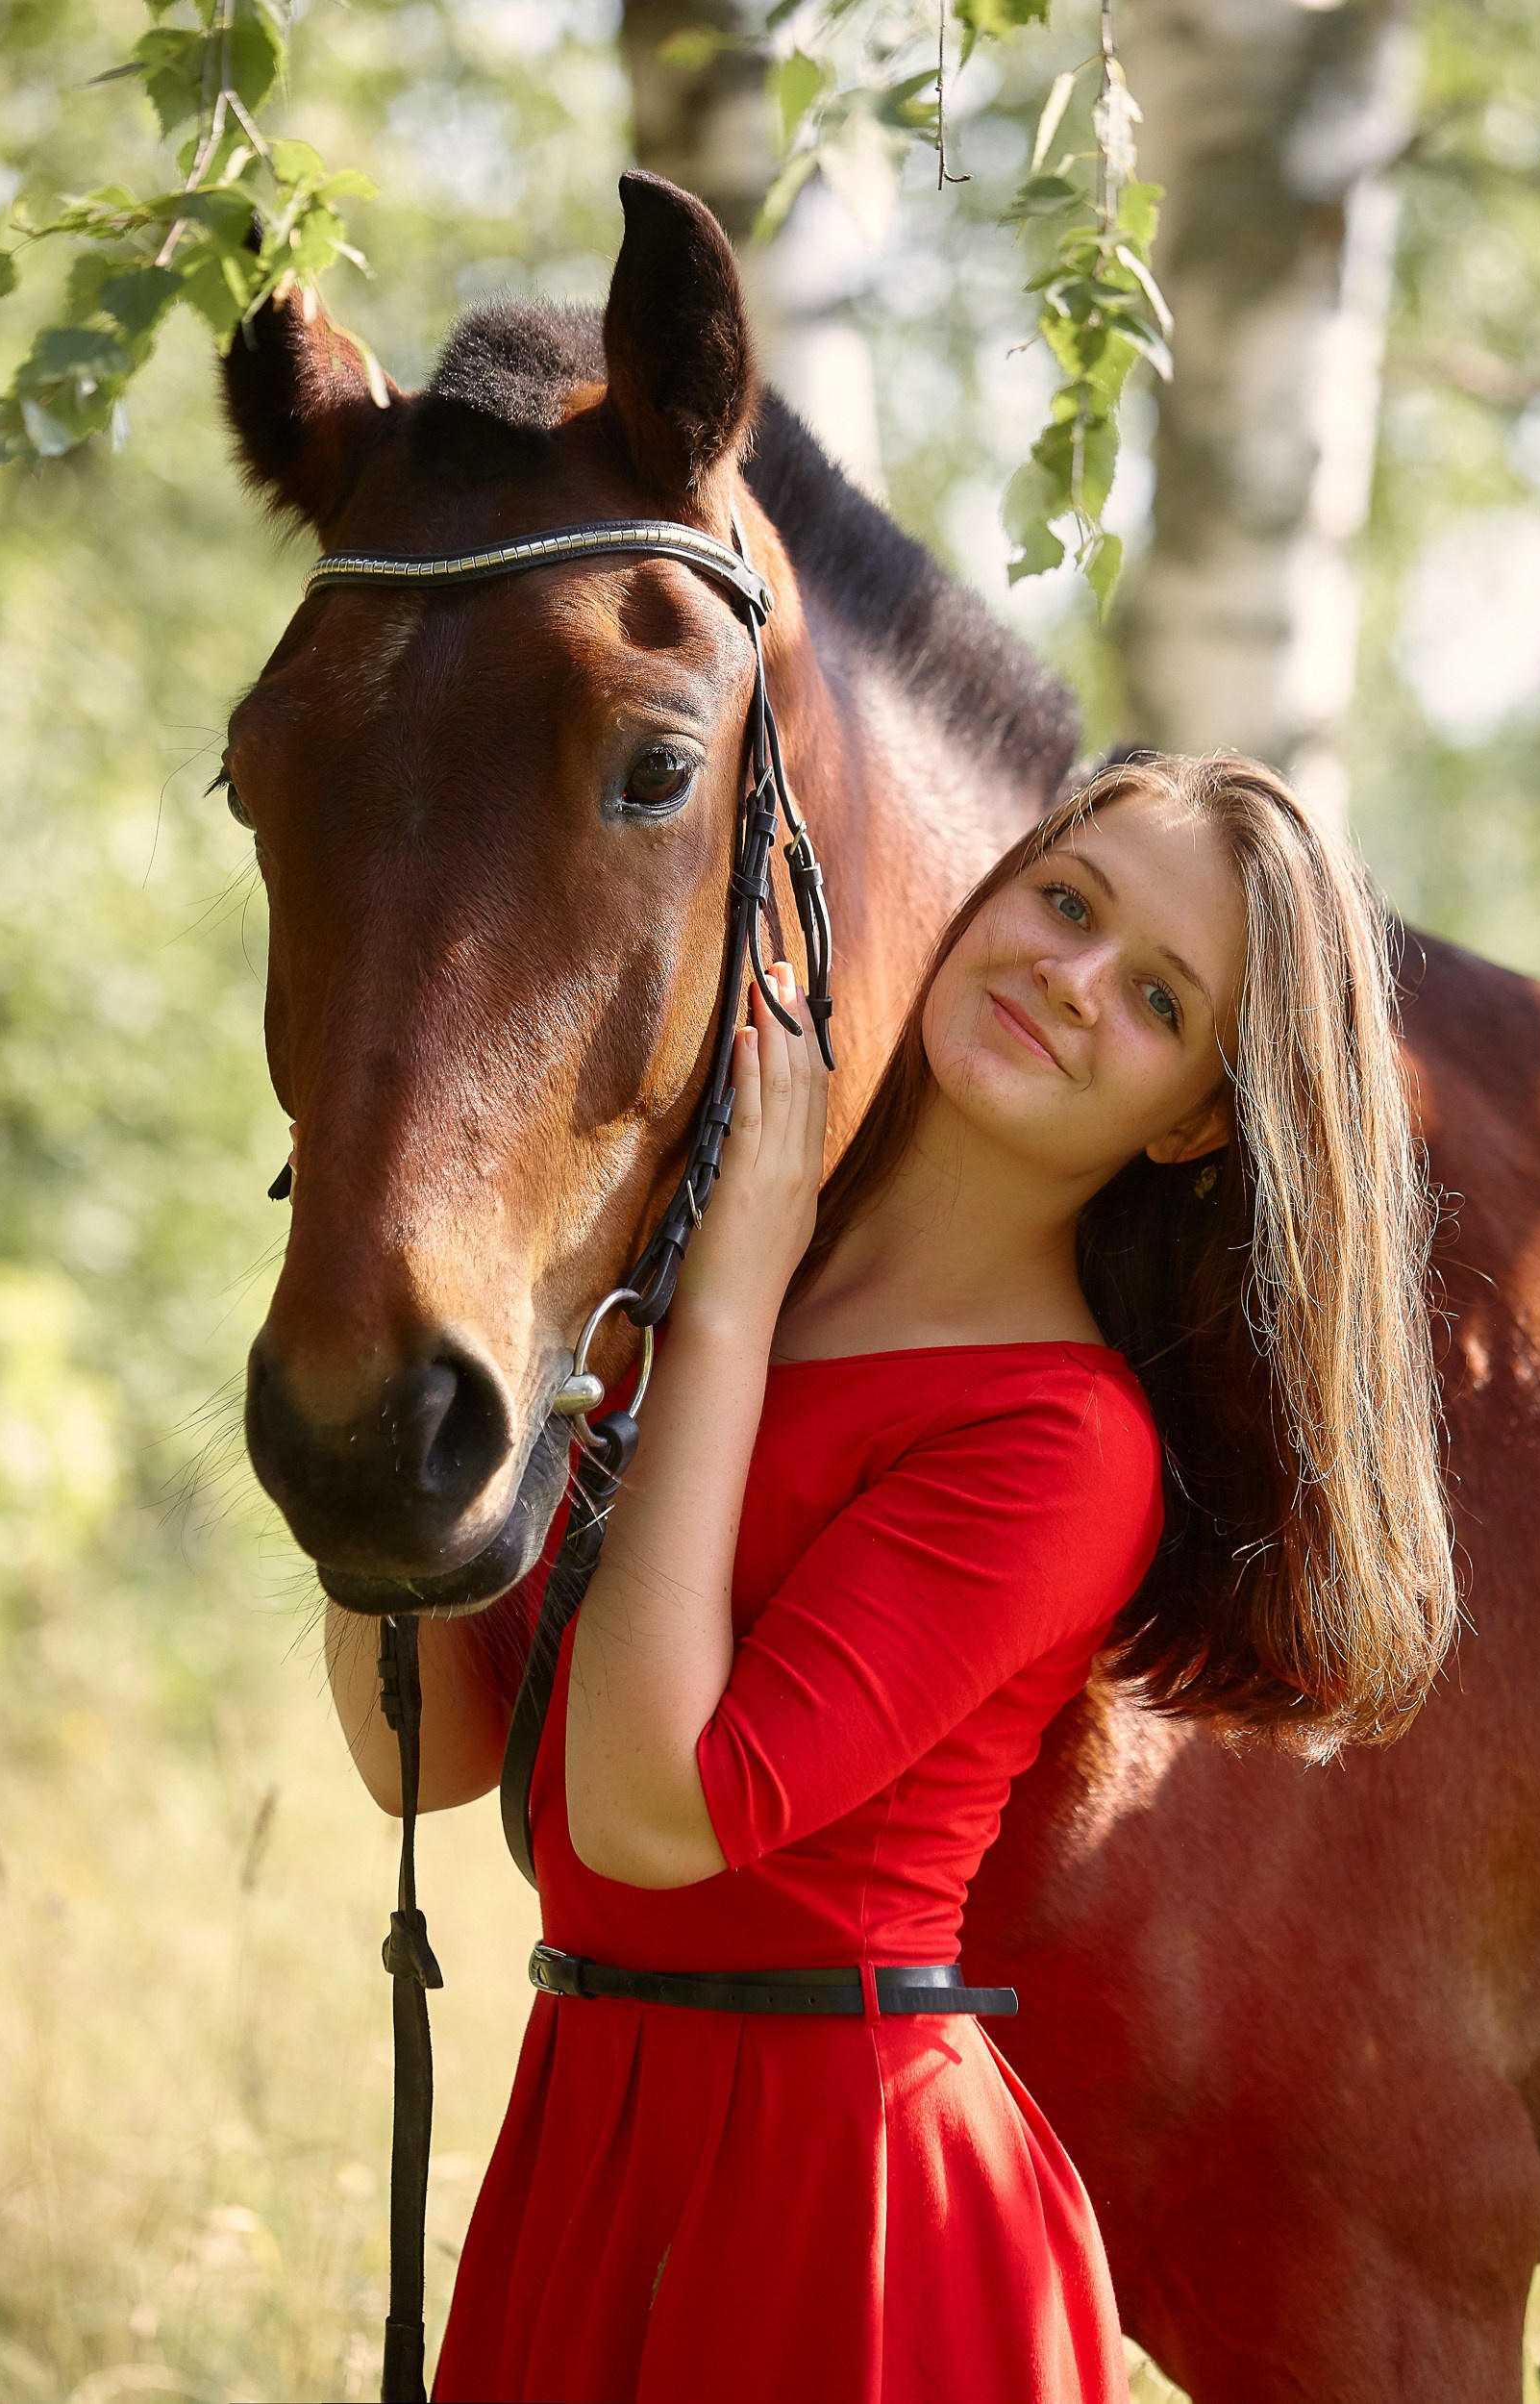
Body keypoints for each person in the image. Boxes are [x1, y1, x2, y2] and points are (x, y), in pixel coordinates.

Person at [327, 752, 1455, 2404]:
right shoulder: (709, 1275)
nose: (1071, 981)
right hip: (590, 2132)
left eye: (1156, 996)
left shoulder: (1056, 1441)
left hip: (846, 2219)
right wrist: (385, 1300)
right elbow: (400, 1746)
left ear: (1198, 1116)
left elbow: (650, 1815)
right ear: (990, 898)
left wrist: (726, 1304)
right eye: (1065, 902)